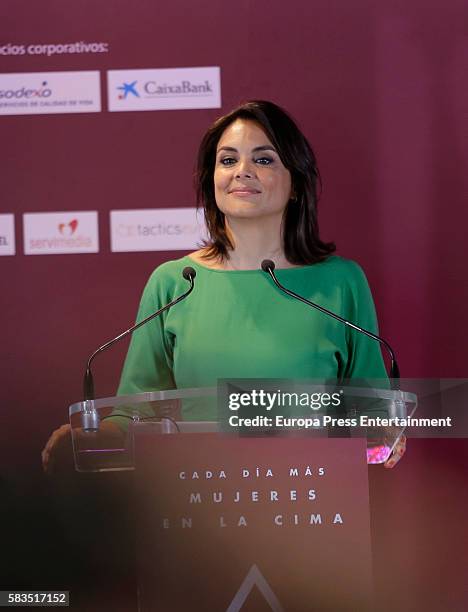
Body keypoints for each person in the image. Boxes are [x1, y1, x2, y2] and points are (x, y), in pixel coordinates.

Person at [42, 100, 405, 470]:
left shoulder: (340, 281)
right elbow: (135, 412)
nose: (242, 172)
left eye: (263, 160)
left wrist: (383, 434)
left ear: (296, 183)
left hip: (315, 498)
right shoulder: (174, 283)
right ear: (211, 179)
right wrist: (96, 437)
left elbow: (372, 407)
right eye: (228, 160)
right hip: (200, 503)